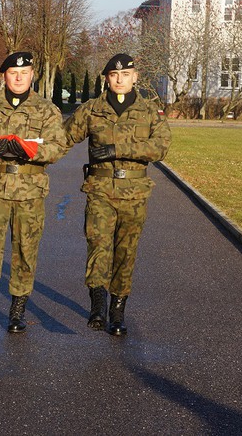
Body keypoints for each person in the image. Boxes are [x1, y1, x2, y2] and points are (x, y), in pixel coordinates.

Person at [63, 53, 172, 336]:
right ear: (107, 78)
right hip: (100, 190)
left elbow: (160, 147)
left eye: (125, 74)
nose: (120, 79)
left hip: (134, 194)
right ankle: (97, 306)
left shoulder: (149, 111)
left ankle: (118, 311)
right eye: (114, 75)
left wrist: (120, 150)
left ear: (135, 77)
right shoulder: (92, 109)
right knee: (98, 245)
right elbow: (63, 138)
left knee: (126, 252)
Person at [0, 51, 67, 333]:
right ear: (4, 76)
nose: (18, 77)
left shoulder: (47, 110)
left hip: (30, 189)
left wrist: (29, 149)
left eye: (24, 73)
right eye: (12, 73)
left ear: (32, 75)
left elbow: (58, 147)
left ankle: (17, 308)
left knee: (25, 249)